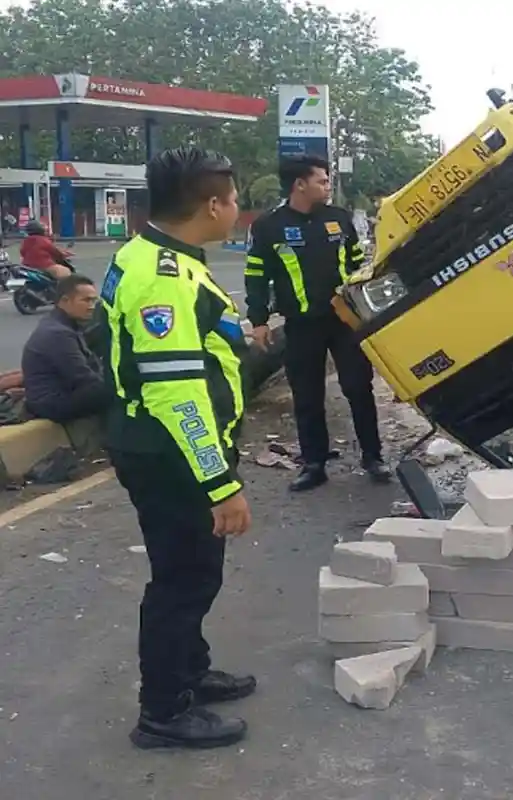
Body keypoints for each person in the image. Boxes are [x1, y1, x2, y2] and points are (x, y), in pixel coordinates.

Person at [99, 146, 254, 750]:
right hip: (171, 454)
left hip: (162, 446)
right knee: (182, 582)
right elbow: (177, 397)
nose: (237, 209)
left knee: (194, 573)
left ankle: (190, 670)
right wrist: (221, 484)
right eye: (234, 200)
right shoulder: (161, 279)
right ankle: (162, 711)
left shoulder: (152, 253)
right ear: (212, 205)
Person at [244, 154, 389, 492]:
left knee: (359, 387)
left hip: (344, 321)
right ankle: (314, 464)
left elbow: (358, 266)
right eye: (322, 181)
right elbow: (256, 275)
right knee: (307, 396)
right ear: (300, 185)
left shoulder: (339, 218)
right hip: (301, 325)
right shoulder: (269, 226)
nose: (327, 186)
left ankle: (373, 456)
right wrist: (258, 321)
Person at [21, 274, 110, 423]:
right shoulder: (58, 334)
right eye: (86, 300)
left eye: (94, 301)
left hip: (54, 395)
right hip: (51, 403)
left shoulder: (60, 323)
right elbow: (84, 378)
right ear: (65, 301)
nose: (92, 306)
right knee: (117, 392)